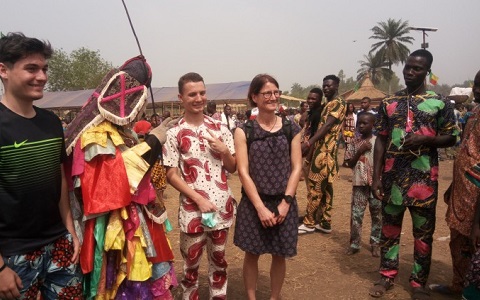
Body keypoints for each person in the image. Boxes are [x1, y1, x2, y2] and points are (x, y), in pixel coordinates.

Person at [368, 49, 457, 299]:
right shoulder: (389, 102)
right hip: (392, 178)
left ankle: (418, 283)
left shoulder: (440, 102)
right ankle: (386, 276)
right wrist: (376, 177)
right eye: (407, 67)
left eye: (416, 68)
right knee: (389, 231)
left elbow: (451, 137)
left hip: (424, 181)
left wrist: (424, 140)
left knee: (423, 235)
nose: (409, 71)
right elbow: (381, 142)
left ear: (427, 71)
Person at [0, 32, 82, 299]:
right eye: (31, 68)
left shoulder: (50, 122)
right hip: (13, 254)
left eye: (44, 69)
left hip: (58, 244)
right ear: (3, 70)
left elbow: (58, 177)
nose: (42, 77)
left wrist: (69, 228)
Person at [163, 72, 236, 299]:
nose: (198, 98)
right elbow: (171, 175)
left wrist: (224, 151)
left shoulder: (221, 129)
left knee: (219, 261)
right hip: (193, 210)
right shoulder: (174, 133)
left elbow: (232, 167)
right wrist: (199, 199)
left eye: (202, 93)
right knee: (191, 264)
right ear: (181, 98)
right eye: (192, 94)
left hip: (220, 208)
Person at [233, 74, 302, 300]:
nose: (273, 97)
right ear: (255, 97)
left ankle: (274, 297)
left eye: (276, 92)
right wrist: (260, 208)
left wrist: (286, 203)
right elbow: (243, 171)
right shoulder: (245, 131)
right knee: (252, 254)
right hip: (254, 204)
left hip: (284, 203)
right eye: (267, 93)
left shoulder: (292, 128)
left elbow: (296, 167)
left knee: (279, 255)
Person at [429, 70, 480, 297]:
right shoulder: (474, 113)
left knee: (474, 243)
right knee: (459, 243)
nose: (477, 90)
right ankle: (458, 285)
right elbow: (466, 153)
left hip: (476, 199)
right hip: (463, 192)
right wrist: (455, 186)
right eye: (476, 85)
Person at [298, 75, 346, 234]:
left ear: (337, 86)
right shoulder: (328, 104)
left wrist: (308, 143)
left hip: (324, 153)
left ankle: (309, 222)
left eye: (329, 86)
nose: (326, 88)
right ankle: (325, 222)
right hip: (321, 151)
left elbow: (326, 127)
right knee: (326, 190)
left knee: (315, 187)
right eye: (324, 86)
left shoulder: (339, 103)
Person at [343, 113, 381, 256]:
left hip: (375, 184)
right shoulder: (353, 142)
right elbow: (348, 163)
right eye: (359, 123)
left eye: (365, 123)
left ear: (373, 125)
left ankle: (375, 243)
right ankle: (355, 243)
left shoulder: (378, 141)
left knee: (377, 215)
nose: (361, 126)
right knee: (356, 215)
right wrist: (360, 150)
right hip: (359, 184)